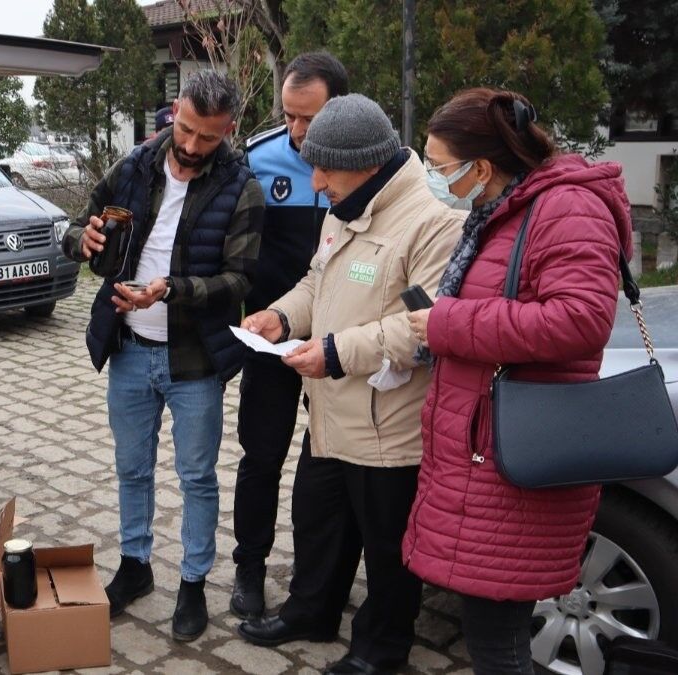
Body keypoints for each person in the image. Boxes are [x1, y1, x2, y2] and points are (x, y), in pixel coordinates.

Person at [401, 88, 631, 675]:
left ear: (481, 167)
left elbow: (581, 319)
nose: (433, 178)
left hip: (515, 456)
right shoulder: (503, 207)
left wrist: (447, 322)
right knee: (491, 637)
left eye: (439, 168)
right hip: (485, 454)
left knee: (499, 644)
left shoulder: (565, 207)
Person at [234, 94, 463, 675]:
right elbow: (317, 282)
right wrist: (281, 317)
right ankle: (311, 611)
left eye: (325, 169)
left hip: (389, 425)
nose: (315, 182)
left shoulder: (433, 222)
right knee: (317, 520)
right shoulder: (344, 206)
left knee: (386, 545)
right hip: (331, 411)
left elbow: (423, 330)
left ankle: (381, 648)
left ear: (366, 164)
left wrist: (335, 352)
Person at [61, 70, 263, 642]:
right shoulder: (134, 165)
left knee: (197, 476)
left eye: (209, 137)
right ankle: (135, 565)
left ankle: (193, 582)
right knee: (132, 468)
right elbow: (74, 227)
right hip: (128, 348)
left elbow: (239, 279)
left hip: (195, 359)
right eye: (187, 129)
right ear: (176, 110)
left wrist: (170, 290)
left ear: (229, 129)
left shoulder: (241, 187)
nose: (193, 145)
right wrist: (81, 240)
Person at [232, 50, 349, 620]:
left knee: (334, 465)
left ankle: (319, 579)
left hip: (344, 347)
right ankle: (249, 568)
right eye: (289, 116)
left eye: (311, 118)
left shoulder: (369, 162)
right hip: (273, 340)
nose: (298, 132)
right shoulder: (258, 159)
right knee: (262, 457)